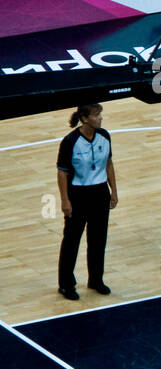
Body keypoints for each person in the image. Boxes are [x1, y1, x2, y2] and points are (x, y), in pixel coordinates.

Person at [56, 104, 118, 301]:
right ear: (84, 119)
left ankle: (96, 280)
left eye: (100, 114)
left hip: (100, 192)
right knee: (72, 241)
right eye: (96, 115)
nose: (100, 118)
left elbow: (108, 163)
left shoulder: (105, 136)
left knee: (99, 239)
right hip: (78, 194)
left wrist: (113, 191)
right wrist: (65, 200)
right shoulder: (70, 141)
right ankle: (66, 284)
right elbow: (62, 172)